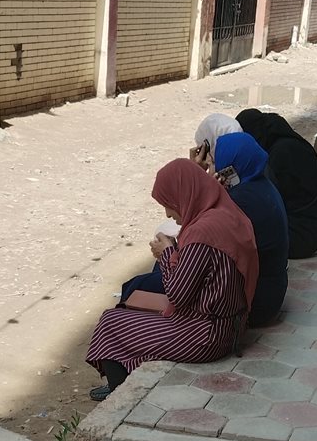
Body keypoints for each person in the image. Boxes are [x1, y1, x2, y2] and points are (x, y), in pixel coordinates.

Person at [85, 159, 257, 400]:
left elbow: (177, 295)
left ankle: (121, 396)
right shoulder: (226, 214)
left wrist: (166, 253)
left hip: (207, 336)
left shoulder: (202, 233)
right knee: (130, 307)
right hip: (231, 326)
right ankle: (124, 379)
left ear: (184, 196)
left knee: (110, 324)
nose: (168, 213)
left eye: (169, 204)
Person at [118, 131, 289, 328]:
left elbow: (180, 292)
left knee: (137, 287)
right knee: (156, 274)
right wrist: (197, 178)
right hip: (262, 292)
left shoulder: (235, 205)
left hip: (247, 305)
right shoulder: (256, 186)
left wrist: (167, 254)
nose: (208, 163)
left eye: (213, 160)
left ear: (230, 171)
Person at [211, 132, 289, 327]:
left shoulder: (242, 200)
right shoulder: (260, 184)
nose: (213, 167)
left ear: (229, 169)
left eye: (214, 161)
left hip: (256, 302)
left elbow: (206, 236)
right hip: (272, 292)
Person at [236, 109, 317, 258]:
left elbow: (269, 203)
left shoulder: (280, 154)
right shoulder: (294, 144)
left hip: (297, 238)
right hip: (312, 232)